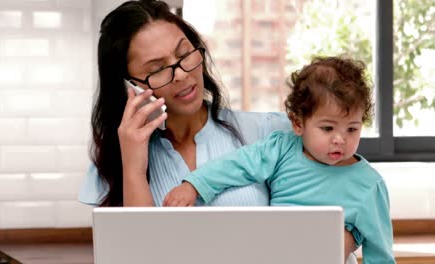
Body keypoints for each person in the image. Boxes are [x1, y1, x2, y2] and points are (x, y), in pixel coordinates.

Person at [77, 0, 358, 262]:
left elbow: (350, 194)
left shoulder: (270, 133)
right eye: (158, 69)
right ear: (130, 87)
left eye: (185, 54)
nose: (183, 74)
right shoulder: (117, 161)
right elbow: (136, 256)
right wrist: (134, 168)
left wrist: (338, 243)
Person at [164, 56, 396, 264]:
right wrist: (194, 185)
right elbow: (237, 164)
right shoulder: (281, 148)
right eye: (327, 128)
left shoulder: (370, 186)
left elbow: (380, 252)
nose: (340, 139)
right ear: (297, 123)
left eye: (352, 129)